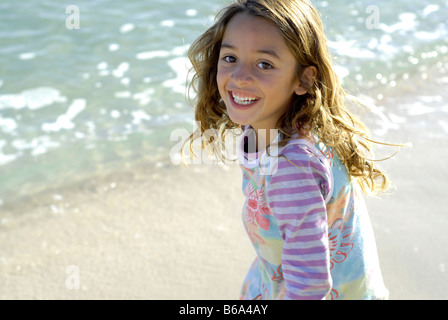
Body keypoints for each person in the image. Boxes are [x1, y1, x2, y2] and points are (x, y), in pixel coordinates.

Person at [184, 0, 399, 300]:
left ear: (304, 79)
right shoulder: (291, 125)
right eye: (230, 57)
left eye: (264, 64)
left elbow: (309, 288)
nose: (240, 76)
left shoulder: (291, 168)